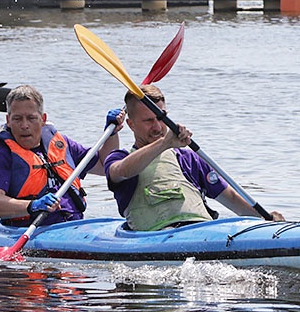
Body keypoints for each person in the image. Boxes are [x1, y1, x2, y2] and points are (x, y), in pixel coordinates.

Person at [105, 85, 284, 231]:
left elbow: (230, 197)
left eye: (161, 118)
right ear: (131, 124)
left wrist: (263, 219)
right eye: (148, 120)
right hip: (155, 238)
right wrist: (165, 143)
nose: (158, 127)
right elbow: (122, 171)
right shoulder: (119, 158)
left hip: (200, 230)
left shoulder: (188, 158)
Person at [0, 85, 125, 227]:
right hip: (30, 230)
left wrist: (112, 134)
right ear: (8, 120)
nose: (24, 125)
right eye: (17, 119)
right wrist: (32, 206)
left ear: (43, 119)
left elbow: (103, 165)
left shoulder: (60, 143)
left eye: (31, 118)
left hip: (74, 226)